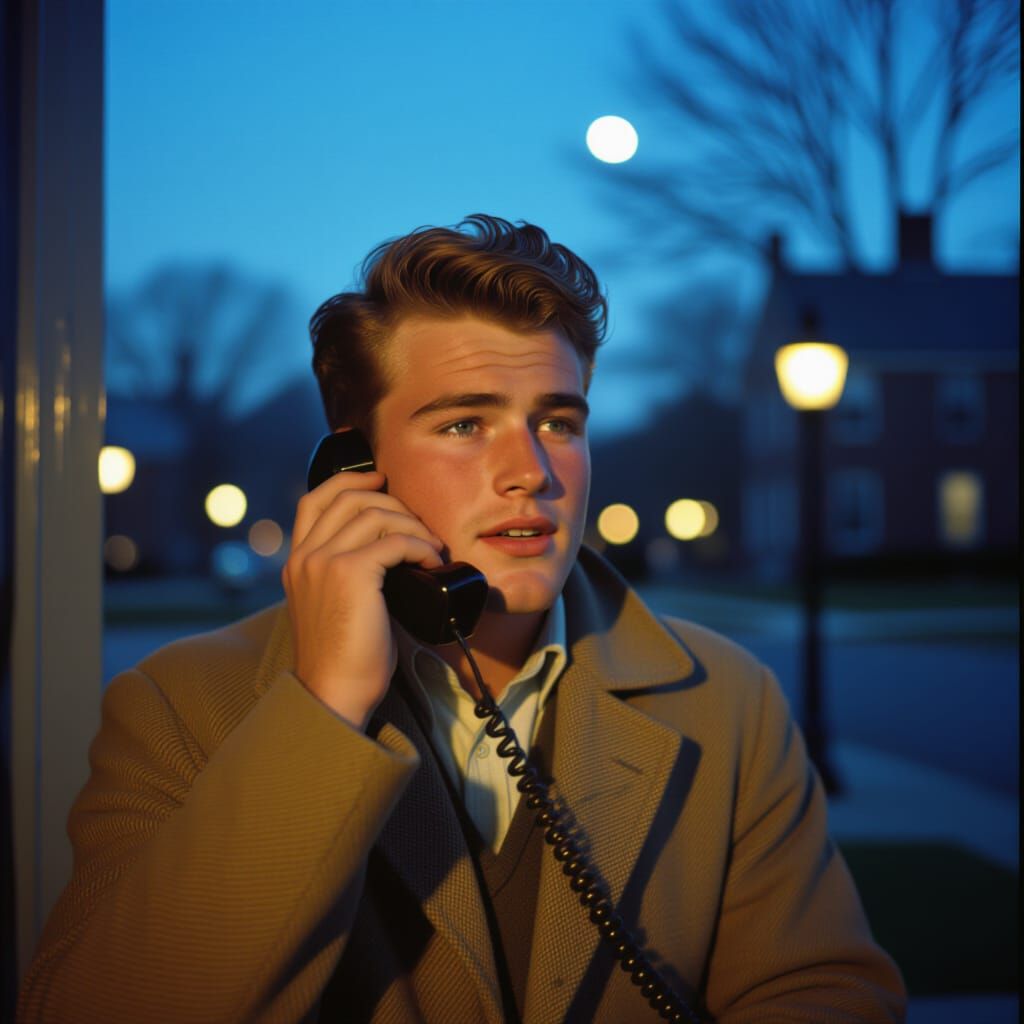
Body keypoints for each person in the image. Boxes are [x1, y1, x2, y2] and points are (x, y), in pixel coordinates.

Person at [18, 215, 906, 1023]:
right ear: (352, 469)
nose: (531, 471)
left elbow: (824, 993)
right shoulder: (178, 708)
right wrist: (324, 706)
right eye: (464, 425)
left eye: (558, 422)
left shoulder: (728, 702)